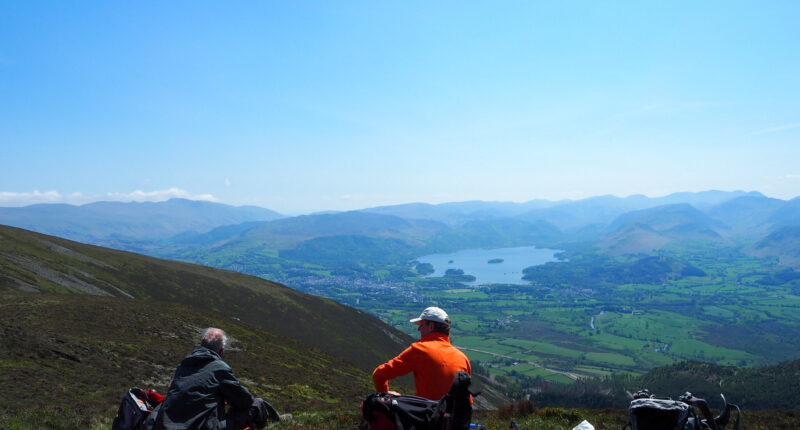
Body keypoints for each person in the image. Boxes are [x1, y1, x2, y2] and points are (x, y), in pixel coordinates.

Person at [153, 327, 281, 430]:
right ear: (221, 350)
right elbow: (245, 401)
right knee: (258, 404)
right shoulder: (219, 368)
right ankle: (280, 424)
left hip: (167, 424)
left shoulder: (184, 364)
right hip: (202, 426)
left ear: (202, 344)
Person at [372, 306, 472, 401]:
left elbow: (379, 374)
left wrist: (384, 394)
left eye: (421, 325)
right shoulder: (463, 358)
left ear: (431, 326)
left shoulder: (420, 349)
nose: (419, 329)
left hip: (428, 415)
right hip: (457, 417)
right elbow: (468, 399)